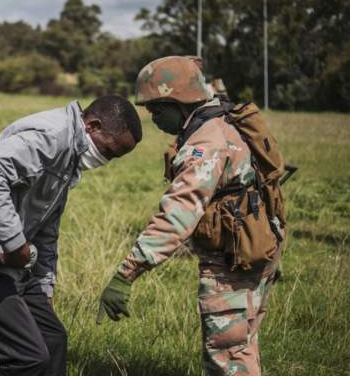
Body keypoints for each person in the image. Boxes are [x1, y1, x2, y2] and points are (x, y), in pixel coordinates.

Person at [97, 56, 286, 376]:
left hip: (232, 261)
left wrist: (125, 275)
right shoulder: (225, 119)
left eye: (157, 109)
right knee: (243, 344)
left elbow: (176, 216)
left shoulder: (205, 143)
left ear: (180, 101)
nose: (154, 119)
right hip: (258, 247)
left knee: (227, 355)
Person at [0, 95, 143, 376]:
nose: (107, 160)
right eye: (109, 151)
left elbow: (46, 226)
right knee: (28, 359)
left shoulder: (71, 152)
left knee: (53, 339)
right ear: (93, 125)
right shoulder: (52, 136)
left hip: (13, 262)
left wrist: (45, 285)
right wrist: (15, 242)